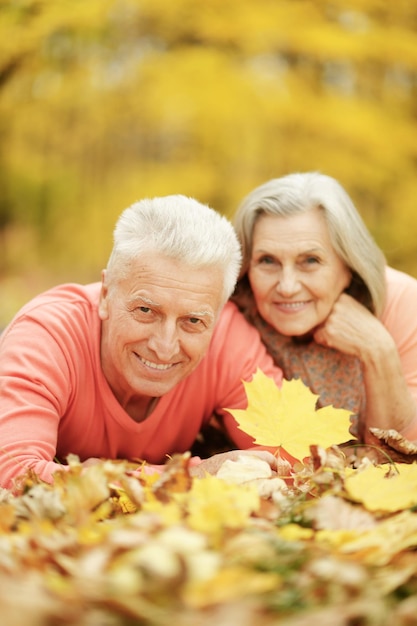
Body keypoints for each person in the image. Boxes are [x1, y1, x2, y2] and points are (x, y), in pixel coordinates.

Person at [0, 194, 284, 490]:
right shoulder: (47, 335)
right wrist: (189, 478)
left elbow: (293, 460)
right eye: (146, 311)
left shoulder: (228, 339)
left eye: (193, 321)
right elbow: (14, 473)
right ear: (106, 295)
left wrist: (112, 475)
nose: (164, 346)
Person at [232, 172, 417, 449]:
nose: (287, 286)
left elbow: (402, 456)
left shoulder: (402, 300)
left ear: (349, 263)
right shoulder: (233, 313)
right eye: (267, 260)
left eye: (310, 260)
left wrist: (378, 350)